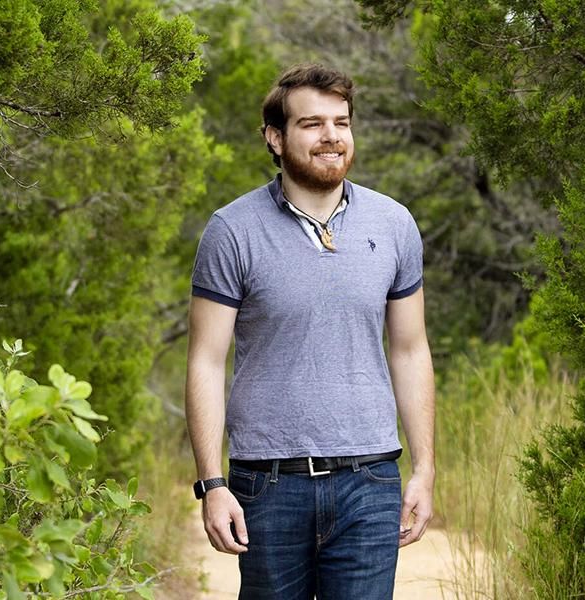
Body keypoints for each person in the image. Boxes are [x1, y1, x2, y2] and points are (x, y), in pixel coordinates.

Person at [184, 63, 435, 600]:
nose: (331, 137)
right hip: (268, 485)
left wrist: (425, 469)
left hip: (371, 480)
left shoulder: (394, 224)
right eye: (312, 124)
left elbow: (411, 351)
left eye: (341, 123)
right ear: (275, 138)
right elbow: (205, 360)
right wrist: (212, 484)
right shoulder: (232, 231)